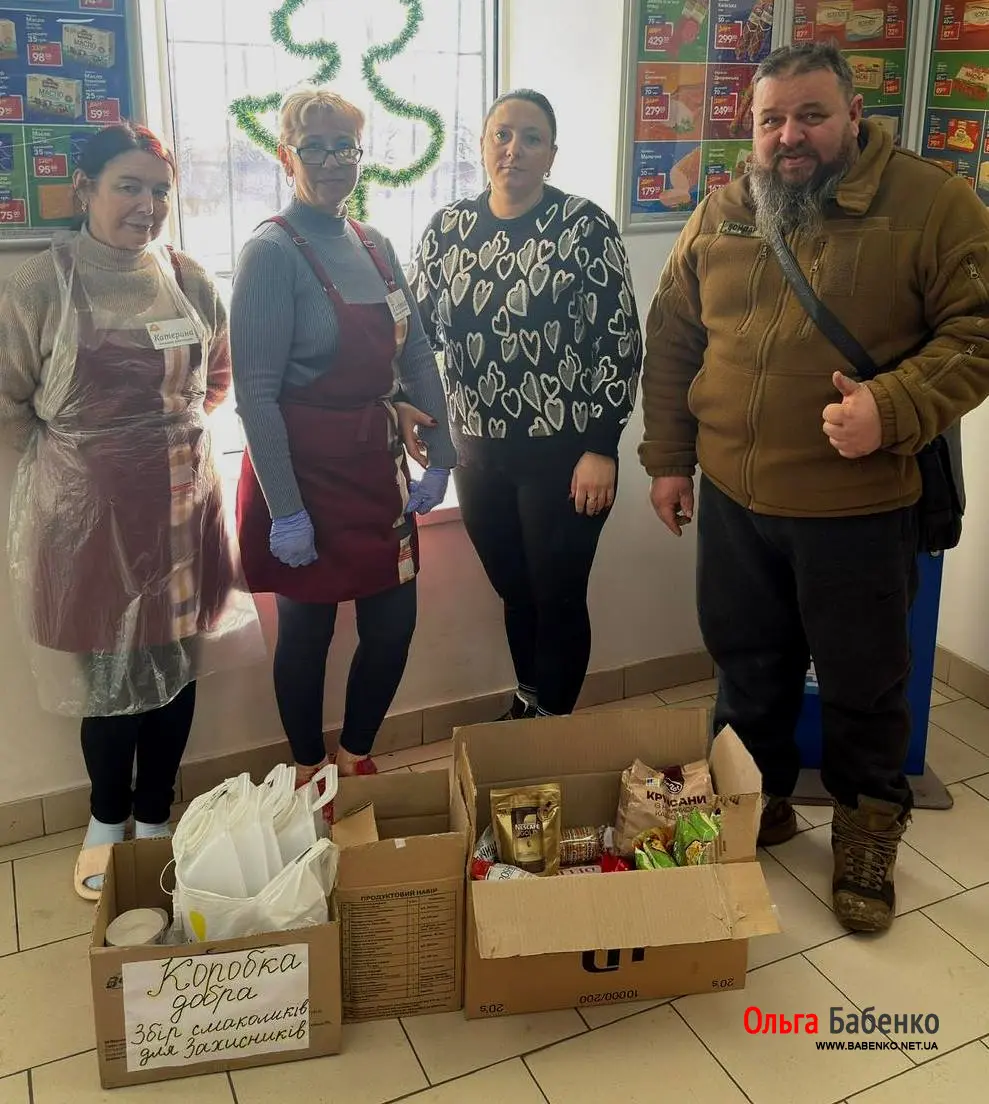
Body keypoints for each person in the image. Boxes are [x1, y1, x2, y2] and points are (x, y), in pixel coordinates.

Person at [639, 42, 989, 933]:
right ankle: (756, 804)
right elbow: (673, 336)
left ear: (852, 116)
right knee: (744, 670)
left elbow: (977, 330)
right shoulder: (724, 208)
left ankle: (867, 833)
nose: (789, 136)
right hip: (734, 500)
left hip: (857, 508)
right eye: (771, 120)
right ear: (750, 129)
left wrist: (890, 406)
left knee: (863, 685)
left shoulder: (929, 203)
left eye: (810, 115)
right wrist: (669, 459)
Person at [0, 123, 260, 900]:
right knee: (105, 679)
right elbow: (10, 402)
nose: (146, 205)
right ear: (84, 189)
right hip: (82, 520)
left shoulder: (189, 278)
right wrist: (83, 466)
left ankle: (155, 817)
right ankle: (106, 818)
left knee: (176, 670)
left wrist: (156, 447)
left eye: (159, 191)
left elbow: (216, 378)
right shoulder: (41, 285)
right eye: (128, 186)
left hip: (180, 509)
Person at [231, 88, 455, 784]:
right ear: (286, 156)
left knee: (393, 624)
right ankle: (307, 768)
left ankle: (355, 756)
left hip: (373, 470)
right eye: (315, 147)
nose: (332, 161)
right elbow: (255, 394)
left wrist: (443, 456)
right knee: (307, 632)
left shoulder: (375, 245)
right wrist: (286, 511)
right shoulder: (271, 252)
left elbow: (417, 355)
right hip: (299, 476)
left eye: (345, 147)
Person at [409, 89, 642, 721]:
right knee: (516, 592)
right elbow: (417, 338)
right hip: (477, 455)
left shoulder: (583, 227)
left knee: (558, 595)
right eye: (502, 135)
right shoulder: (448, 230)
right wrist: (410, 411)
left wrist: (602, 447)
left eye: (531, 138)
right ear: (483, 145)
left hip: (565, 455)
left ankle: (552, 732)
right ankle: (529, 704)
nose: (514, 149)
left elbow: (618, 342)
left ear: (551, 154)